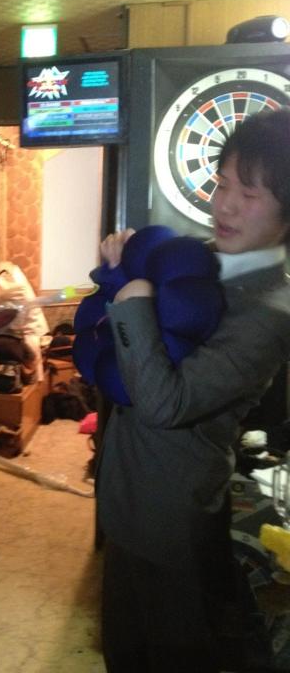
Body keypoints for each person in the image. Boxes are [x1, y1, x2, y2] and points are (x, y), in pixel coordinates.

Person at [93, 108, 290, 673]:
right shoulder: (195, 259)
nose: (225, 205)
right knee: (123, 650)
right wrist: (119, 268)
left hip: (172, 517)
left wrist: (134, 303)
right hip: (127, 499)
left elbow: (165, 403)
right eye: (223, 184)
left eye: (249, 193)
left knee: (171, 655)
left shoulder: (271, 313)